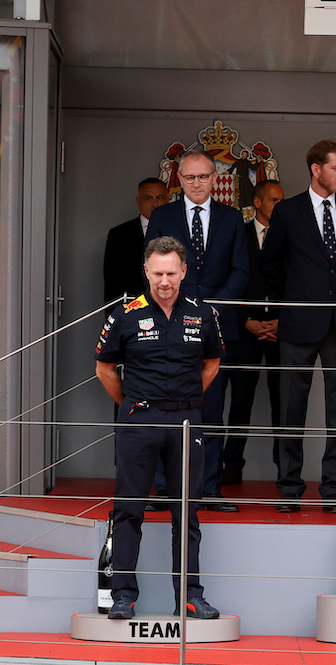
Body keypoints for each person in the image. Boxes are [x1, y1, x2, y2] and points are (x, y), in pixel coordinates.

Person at [93, 236, 224, 621]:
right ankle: (122, 595)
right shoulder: (124, 315)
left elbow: (212, 364)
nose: (164, 281)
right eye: (157, 273)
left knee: (187, 512)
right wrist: (133, 405)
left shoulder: (202, 313)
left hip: (187, 421)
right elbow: (104, 369)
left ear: (184, 271)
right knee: (128, 509)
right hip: (138, 420)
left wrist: (181, 401)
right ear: (145, 271)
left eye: (171, 273)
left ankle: (190, 595)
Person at [259, 140, 336, 514]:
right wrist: (287, 302)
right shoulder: (288, 211)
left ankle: (334, 489)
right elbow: (269, 265)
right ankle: (289, 487)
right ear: (316, 169)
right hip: (298, 323)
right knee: (290, 409)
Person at [146, 150, 249, 513]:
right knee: (163, 405)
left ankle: (209, 489)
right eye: (189, 178)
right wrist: (180, 305)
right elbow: (154, 269)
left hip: (217, 323)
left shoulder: (232, 218)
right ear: (180, 180)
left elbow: (241, 270)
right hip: (169, 324)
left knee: (212, 409)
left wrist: (212, 307)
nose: (196, 184)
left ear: (214, 177)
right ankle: (163, 490)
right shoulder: (163, 216)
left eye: (203, 177)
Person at [221, 179, 285, 487]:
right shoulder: (238, 235)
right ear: (257, 202)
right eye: (273, 200)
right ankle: (231, 467)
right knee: (240, 403)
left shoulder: (290, 237)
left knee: (283, 404)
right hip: (244, 330)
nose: (279, 206)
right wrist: (245, 319)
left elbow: (299, 282)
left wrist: (282, 321)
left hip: (280, 331)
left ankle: (284, 471)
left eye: (281, 200)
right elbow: (228, 278)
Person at [103, 177, 169, 303]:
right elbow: (112, 282)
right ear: (138, 201)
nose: (155, 204)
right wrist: (115, 318)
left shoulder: (179, 231)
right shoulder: (119, 235)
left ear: (168, 199)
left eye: (159, 197)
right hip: (133, 308)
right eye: (148, 198)